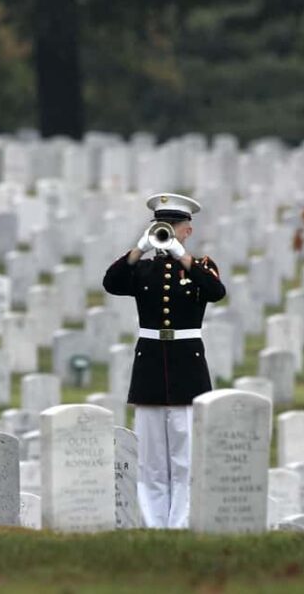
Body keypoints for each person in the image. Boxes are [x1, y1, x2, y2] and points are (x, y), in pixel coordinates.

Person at [102, 192, 226, 529]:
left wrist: (182, 256)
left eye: (175, 225)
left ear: (188, 230)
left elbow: (216, 292)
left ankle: (181, 521)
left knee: (185, 454)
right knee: (151, 457)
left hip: (187, 367)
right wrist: (139, 248)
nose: (168, 230)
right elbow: (111, 283)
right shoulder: (143, 269)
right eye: (162, 225)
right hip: (151, 367)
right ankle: (154, 521)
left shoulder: (201, 267)